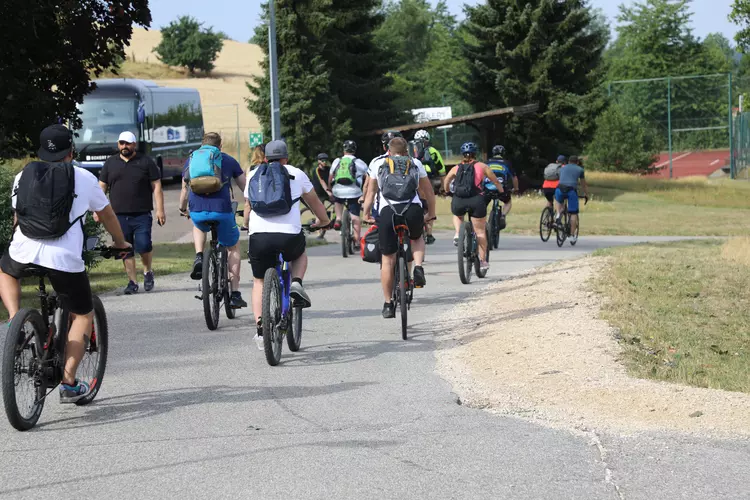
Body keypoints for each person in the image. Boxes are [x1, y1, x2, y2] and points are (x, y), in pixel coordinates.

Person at [0, 124, 132, 403]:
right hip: (63, 259)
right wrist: (121, 244)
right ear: (70, 151)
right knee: (83, 314)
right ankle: (69, 383)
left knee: (5, 270)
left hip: (23, 250)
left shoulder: (23, 175)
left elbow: (17, 218)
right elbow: (107, 215)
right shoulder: (84, 177)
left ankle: (14, 320)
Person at [245, 140, 331, 348]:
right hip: (288, 236)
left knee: (258, 281)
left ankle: (260, 327)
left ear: (265, 158)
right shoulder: (297, 174)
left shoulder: (253, 174)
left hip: (259, 237)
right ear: (286, 158)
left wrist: (248, 226)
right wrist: (324, 221)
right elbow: (315, 202)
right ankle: (296, 283)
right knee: (299, 254)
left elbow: (248, 207)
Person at [363, 137, 436, 319]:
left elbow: (370, 193)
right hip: (412, 209)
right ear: (406, 151)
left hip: (387, 211)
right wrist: (431, 214)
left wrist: (366, 214)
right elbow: (429, 192)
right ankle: (418, 267)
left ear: (388, 149)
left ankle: (388, 304)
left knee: (387, 259)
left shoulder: (378, 163)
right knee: (416, 237)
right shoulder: (415, 162)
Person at [179, 132, 247, 309]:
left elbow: (185, 189)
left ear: (203, 144)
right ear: (220, 145)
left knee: (198, 225)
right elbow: (244, 187)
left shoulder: (192, 159)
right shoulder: (228, 160)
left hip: (197, 210)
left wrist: (182, 208)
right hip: (222, 210)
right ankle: (235, 293)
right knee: (233, 246)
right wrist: (250, 205)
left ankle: (200, 257)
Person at [98, 131, 165, 295]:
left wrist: (160, 209)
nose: (124, 146)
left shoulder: (146, 162)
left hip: (141, 213)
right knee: (124, 248)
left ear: (134, 144)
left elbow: (156, 186)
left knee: (144, 245)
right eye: (121, 143)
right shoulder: (110, 163)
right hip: (117, 215)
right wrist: (98, 210)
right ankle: (132, 282)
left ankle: (147, 271)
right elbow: (101, 187)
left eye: (127, 143)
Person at [443, 142, 504, 271]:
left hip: (459, 199)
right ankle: (482, 262)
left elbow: (447, 180)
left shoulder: (456, 168)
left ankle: (458, 233)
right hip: (476, 200)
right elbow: (495, 181)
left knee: (458, 215)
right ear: (475, 154)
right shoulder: (482, 166)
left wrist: (447, 190)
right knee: (480, 231)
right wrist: (501, 191)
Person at [329, 140, 368, 245]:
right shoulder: (359, 162)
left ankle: (338, 219)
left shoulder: (337, 161)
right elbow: (368, 177)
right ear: (354, 150)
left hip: (338, 190)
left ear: (343, 150)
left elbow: (331, 177)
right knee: (355, 217)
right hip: (354, 192)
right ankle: (356, 240)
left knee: (338, 200)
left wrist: (330, 189)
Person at [413, 130, 446, 245]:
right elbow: (441, 170)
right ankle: (429, 233)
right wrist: (443, 186)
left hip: (414, 181)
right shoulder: (433, 151)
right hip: (429, 180)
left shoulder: (411, 150)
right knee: (430, 204)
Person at [554, 155, 590, 244]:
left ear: (568, 161)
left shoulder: (562, 168)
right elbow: (583, 184)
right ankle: (572, 236)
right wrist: (586, 194)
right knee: (573, 213)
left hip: (559, 189)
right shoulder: (580, 170)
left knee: (559, 201)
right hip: (571, 191)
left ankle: (558, 214)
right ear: (577, 162)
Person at [483, 145, 519, 229]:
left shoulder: (486, 163)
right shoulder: (507, 163)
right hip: (501, 188)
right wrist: (516, 189)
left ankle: (482, 220)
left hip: (487, 188)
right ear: (503, 153)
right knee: (508, 202)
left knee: (482, 204)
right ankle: (503, 215)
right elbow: (514, 178)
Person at [243, 145, 266, 230]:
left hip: (256, 210)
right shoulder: (274, 168)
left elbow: (247, 203)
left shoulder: (251, 169)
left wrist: (245, 224)